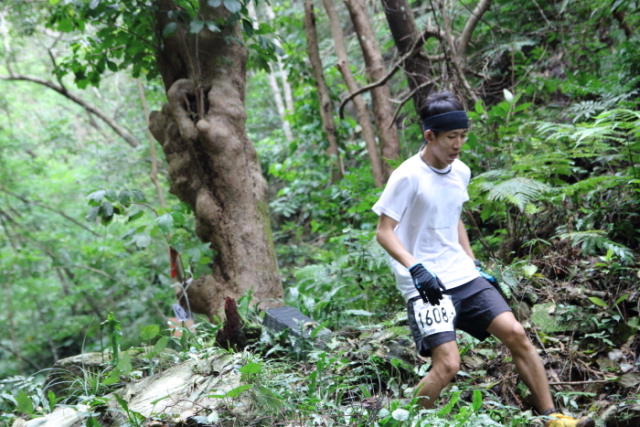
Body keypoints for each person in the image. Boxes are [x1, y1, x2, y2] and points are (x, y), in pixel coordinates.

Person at [372, 90, 594, 427]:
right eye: (450, 137)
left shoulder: (461, 171)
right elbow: (384, 232)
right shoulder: (407, 176)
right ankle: (404, 422)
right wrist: (416, 268)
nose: (457, 144)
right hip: (425, 283)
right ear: (429, 136)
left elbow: (454, 216)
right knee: (447, 365)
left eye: (462, 136)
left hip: (461, 273)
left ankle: (552, 418)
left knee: (516, 334)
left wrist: (472, 261)